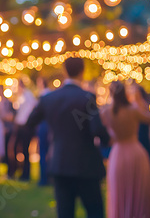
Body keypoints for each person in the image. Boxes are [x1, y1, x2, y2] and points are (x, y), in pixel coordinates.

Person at [25, 57, 109, 218]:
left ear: (64, 71)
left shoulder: (48, 98)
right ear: (82, 71)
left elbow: (29, 122)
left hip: (60, 163)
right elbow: (97, 129)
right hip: (86, 164)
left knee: (65, 213)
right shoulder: (87, 97)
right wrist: (108, 140)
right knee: (95, 212)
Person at [101, 81, 150, 218]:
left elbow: (99, 129)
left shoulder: (107, 112)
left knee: (119, 189)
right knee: (138, 189)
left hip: (118, 154)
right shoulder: (133, 110)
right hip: (135, 152)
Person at [10, 80, 37, 181]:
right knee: (15, 149)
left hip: (25, 126)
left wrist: (28, 121)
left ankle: (25, 174)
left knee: (25, 150)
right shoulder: (20, 97)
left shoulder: (28, 95)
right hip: (19, 125)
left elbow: (33, 107)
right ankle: (18, 171)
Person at [36, 77, 51, 186]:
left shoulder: (43, 96)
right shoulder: (50, 95)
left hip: (44, 125)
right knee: (49, 152)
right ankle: (48, 177)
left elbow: (36, 114)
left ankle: (44, 179)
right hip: (49, 126)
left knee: (43, 151)